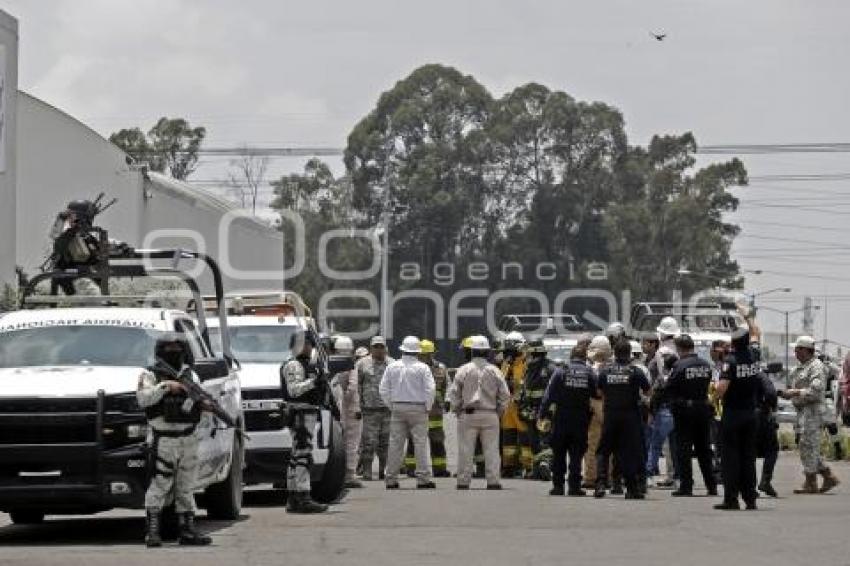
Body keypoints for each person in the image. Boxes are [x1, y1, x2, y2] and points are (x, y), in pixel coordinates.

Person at [138, 336, 212, 547]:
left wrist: (204, 407)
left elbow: (199, 402)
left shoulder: (191, 376)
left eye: (177, 348)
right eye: (168, 348)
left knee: (186, 486)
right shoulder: (150, 374)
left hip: (188, 438)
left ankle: (187, 530)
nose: (173, 352)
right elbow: (143, 399)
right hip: (164, 440)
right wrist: (166, 386)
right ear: (160, 351)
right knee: (159, 484)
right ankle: (153, 531)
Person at [448, 335, 511, 490]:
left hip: (468, 414)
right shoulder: (495, 370)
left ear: (472, 352)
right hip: (490, 414)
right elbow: (505, 395)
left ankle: (463, 481)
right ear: (487, 352)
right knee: (491, 450)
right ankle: (493, 481)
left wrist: (457, 410)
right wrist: (499, 412)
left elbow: (454, 393)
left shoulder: (463, 370)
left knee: (465, 449)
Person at [782, 336, 841, 494]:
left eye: (798, 349)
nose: (795, 352)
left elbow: (815, 391)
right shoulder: (801, 368)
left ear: (806, 350)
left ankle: (811, 482)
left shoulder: (816, 366)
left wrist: (795, 392)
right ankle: (827, 476)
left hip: (813, 412)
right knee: (805, 446)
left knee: (810, 446)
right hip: (803, 413)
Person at [594, 338, 651, 499]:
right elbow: (648, 392)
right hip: (630, 416)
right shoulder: (636, 371)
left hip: (611, 415)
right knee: (629, 452)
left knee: (603, 451)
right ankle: (632, 489)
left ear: (614, 353)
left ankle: (600, 485)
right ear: (629, 354)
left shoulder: (605, 370)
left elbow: (599, 392)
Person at [538, 342, 597, 496]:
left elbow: (548, 396)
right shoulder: (589, 373)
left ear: (571, 357)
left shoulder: (560, 372)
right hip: (581, 419)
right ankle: (574, 487)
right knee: (577, 455)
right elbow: (597, 394)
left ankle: (558, 486)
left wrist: (542, 414)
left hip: (562, 418)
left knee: (559, 453)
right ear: (584, 358)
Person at [281, 332, 329, 513]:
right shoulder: (293, 365)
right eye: (305, 344)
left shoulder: (308, 365)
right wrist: (314, 382)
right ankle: (302, 496)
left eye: (310, 344)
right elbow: (293, 390)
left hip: (307, 412)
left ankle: (294, 497)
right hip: (299, 413)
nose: (309, 347)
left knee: (298, 456)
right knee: (302, 456)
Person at [713, 327, 760, 510]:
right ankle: (750, 498)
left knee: (730, 458)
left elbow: (722, 387)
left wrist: (713, 398)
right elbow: (756, 334)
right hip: (751, 413)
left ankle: (731, 499)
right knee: (748, 457)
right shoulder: (754, 356)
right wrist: (748, 317)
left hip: (733, 414)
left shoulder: (730, 361)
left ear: (733, 343)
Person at [380, 336, 436, 489]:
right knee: (420, 444)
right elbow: (430, 390)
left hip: (398, 407)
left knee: (395, 444)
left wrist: (392, 405)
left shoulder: (392, 366)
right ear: (418, 351)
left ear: (403, 350)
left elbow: (383, 390)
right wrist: (428, 407)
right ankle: (423, 479)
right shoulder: (423, 368)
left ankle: (390, 479)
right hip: (418, 408)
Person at [666, 334, 718, 497]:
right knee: (704, 449)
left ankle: (686, 486)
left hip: (685, 411)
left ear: (679, 348)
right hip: (703, 409)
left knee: (683, 449)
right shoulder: (705, 365)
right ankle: (711, 485)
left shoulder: (679, 366)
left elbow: (670, 387)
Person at [647, 316, 680, 489]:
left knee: (660, 442)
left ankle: (660, 474)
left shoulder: (662, 352)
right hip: (678, 401)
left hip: (665, 401)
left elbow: (663, 379)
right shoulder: (679, 350)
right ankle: (677, 475)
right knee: (675, 442)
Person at [357, 336, 394, 480]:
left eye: (381, 347)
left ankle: (383, 471)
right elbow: (357, 386)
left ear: (385, 348)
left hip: (387, 410)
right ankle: (366, 471)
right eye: (376, 347)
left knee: (386, 443)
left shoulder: (392, 364)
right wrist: (358, 406)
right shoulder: (362, 364)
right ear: (371, 348)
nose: (378, 349)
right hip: (369, 411)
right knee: (369, 443)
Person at [519, 339, 555, 480]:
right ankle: (538, 469)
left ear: (534, 353)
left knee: (542, 442)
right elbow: (524, 392)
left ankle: (544, 465)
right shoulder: (531, 368)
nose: (526, 356)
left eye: (528, 353)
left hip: (541, 414)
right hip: (536, 414)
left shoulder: (548, 369)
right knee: (537, 442)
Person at [332, 336, 363, 489]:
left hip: (340, 409)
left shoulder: (331, 366)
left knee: (340, 443)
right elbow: (352, 388)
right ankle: (349, 474)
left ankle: (344, 474)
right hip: (349, 409)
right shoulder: (352, 366)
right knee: (351, 443)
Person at [584, 335, 611, 489]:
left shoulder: (591, 370)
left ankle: (591, 478)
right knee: (610, 446)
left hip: (594, 408)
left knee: (592, 445)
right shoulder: (613, 368)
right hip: (611, 408)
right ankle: (609, 477)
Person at [500, 331, 529, 477]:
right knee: (508, 440)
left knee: (525, 440)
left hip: (521, 407)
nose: (509, 352)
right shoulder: (506, 363)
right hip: (508, 407)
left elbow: (524, 383)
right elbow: (501, 381)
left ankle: (528, 468)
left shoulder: (526, 362)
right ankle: (508, 467)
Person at [755, 371, 779, 498]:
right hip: (760, 415)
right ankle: (765, 481)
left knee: (748, 452)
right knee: (772, 449)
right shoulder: (759, 375)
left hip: (738, 414)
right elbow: (771, 393)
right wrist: (772, 408)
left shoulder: (734, 372)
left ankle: (749, 486)